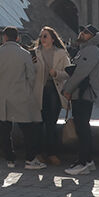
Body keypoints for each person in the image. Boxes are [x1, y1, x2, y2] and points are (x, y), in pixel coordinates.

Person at [0, 27, 42, 169]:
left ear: (4, 37)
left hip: (1, 97)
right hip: (20, 95)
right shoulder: (24, 54)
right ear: (17, 38)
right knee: (27, 129)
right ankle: (30, 159)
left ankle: (10, 159)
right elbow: (31, 76)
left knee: (4, 129)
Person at [62, 25, 99, 176]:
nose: (82, 33)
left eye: (86, 32)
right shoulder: (86, 49)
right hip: (81, 93)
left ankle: (82, 163)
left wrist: (67, 89)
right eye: (82, 31)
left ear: (93, 36)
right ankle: (87, 160)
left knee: (82, 129)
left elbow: (81, 73)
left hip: (83, 94)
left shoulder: (91, 50)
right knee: (82, 127)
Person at [33, 26, 71, 166]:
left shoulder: (61, 53)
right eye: (41, 36)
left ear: (53, 39)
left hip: (54, 91)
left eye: (45, 36)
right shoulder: (34, 53)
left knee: (51, 124)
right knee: (38, 124)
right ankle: (39, 153)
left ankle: (51, 153)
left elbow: (68, 73)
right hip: (39, 91)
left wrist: (56, 74)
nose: (42, 39)